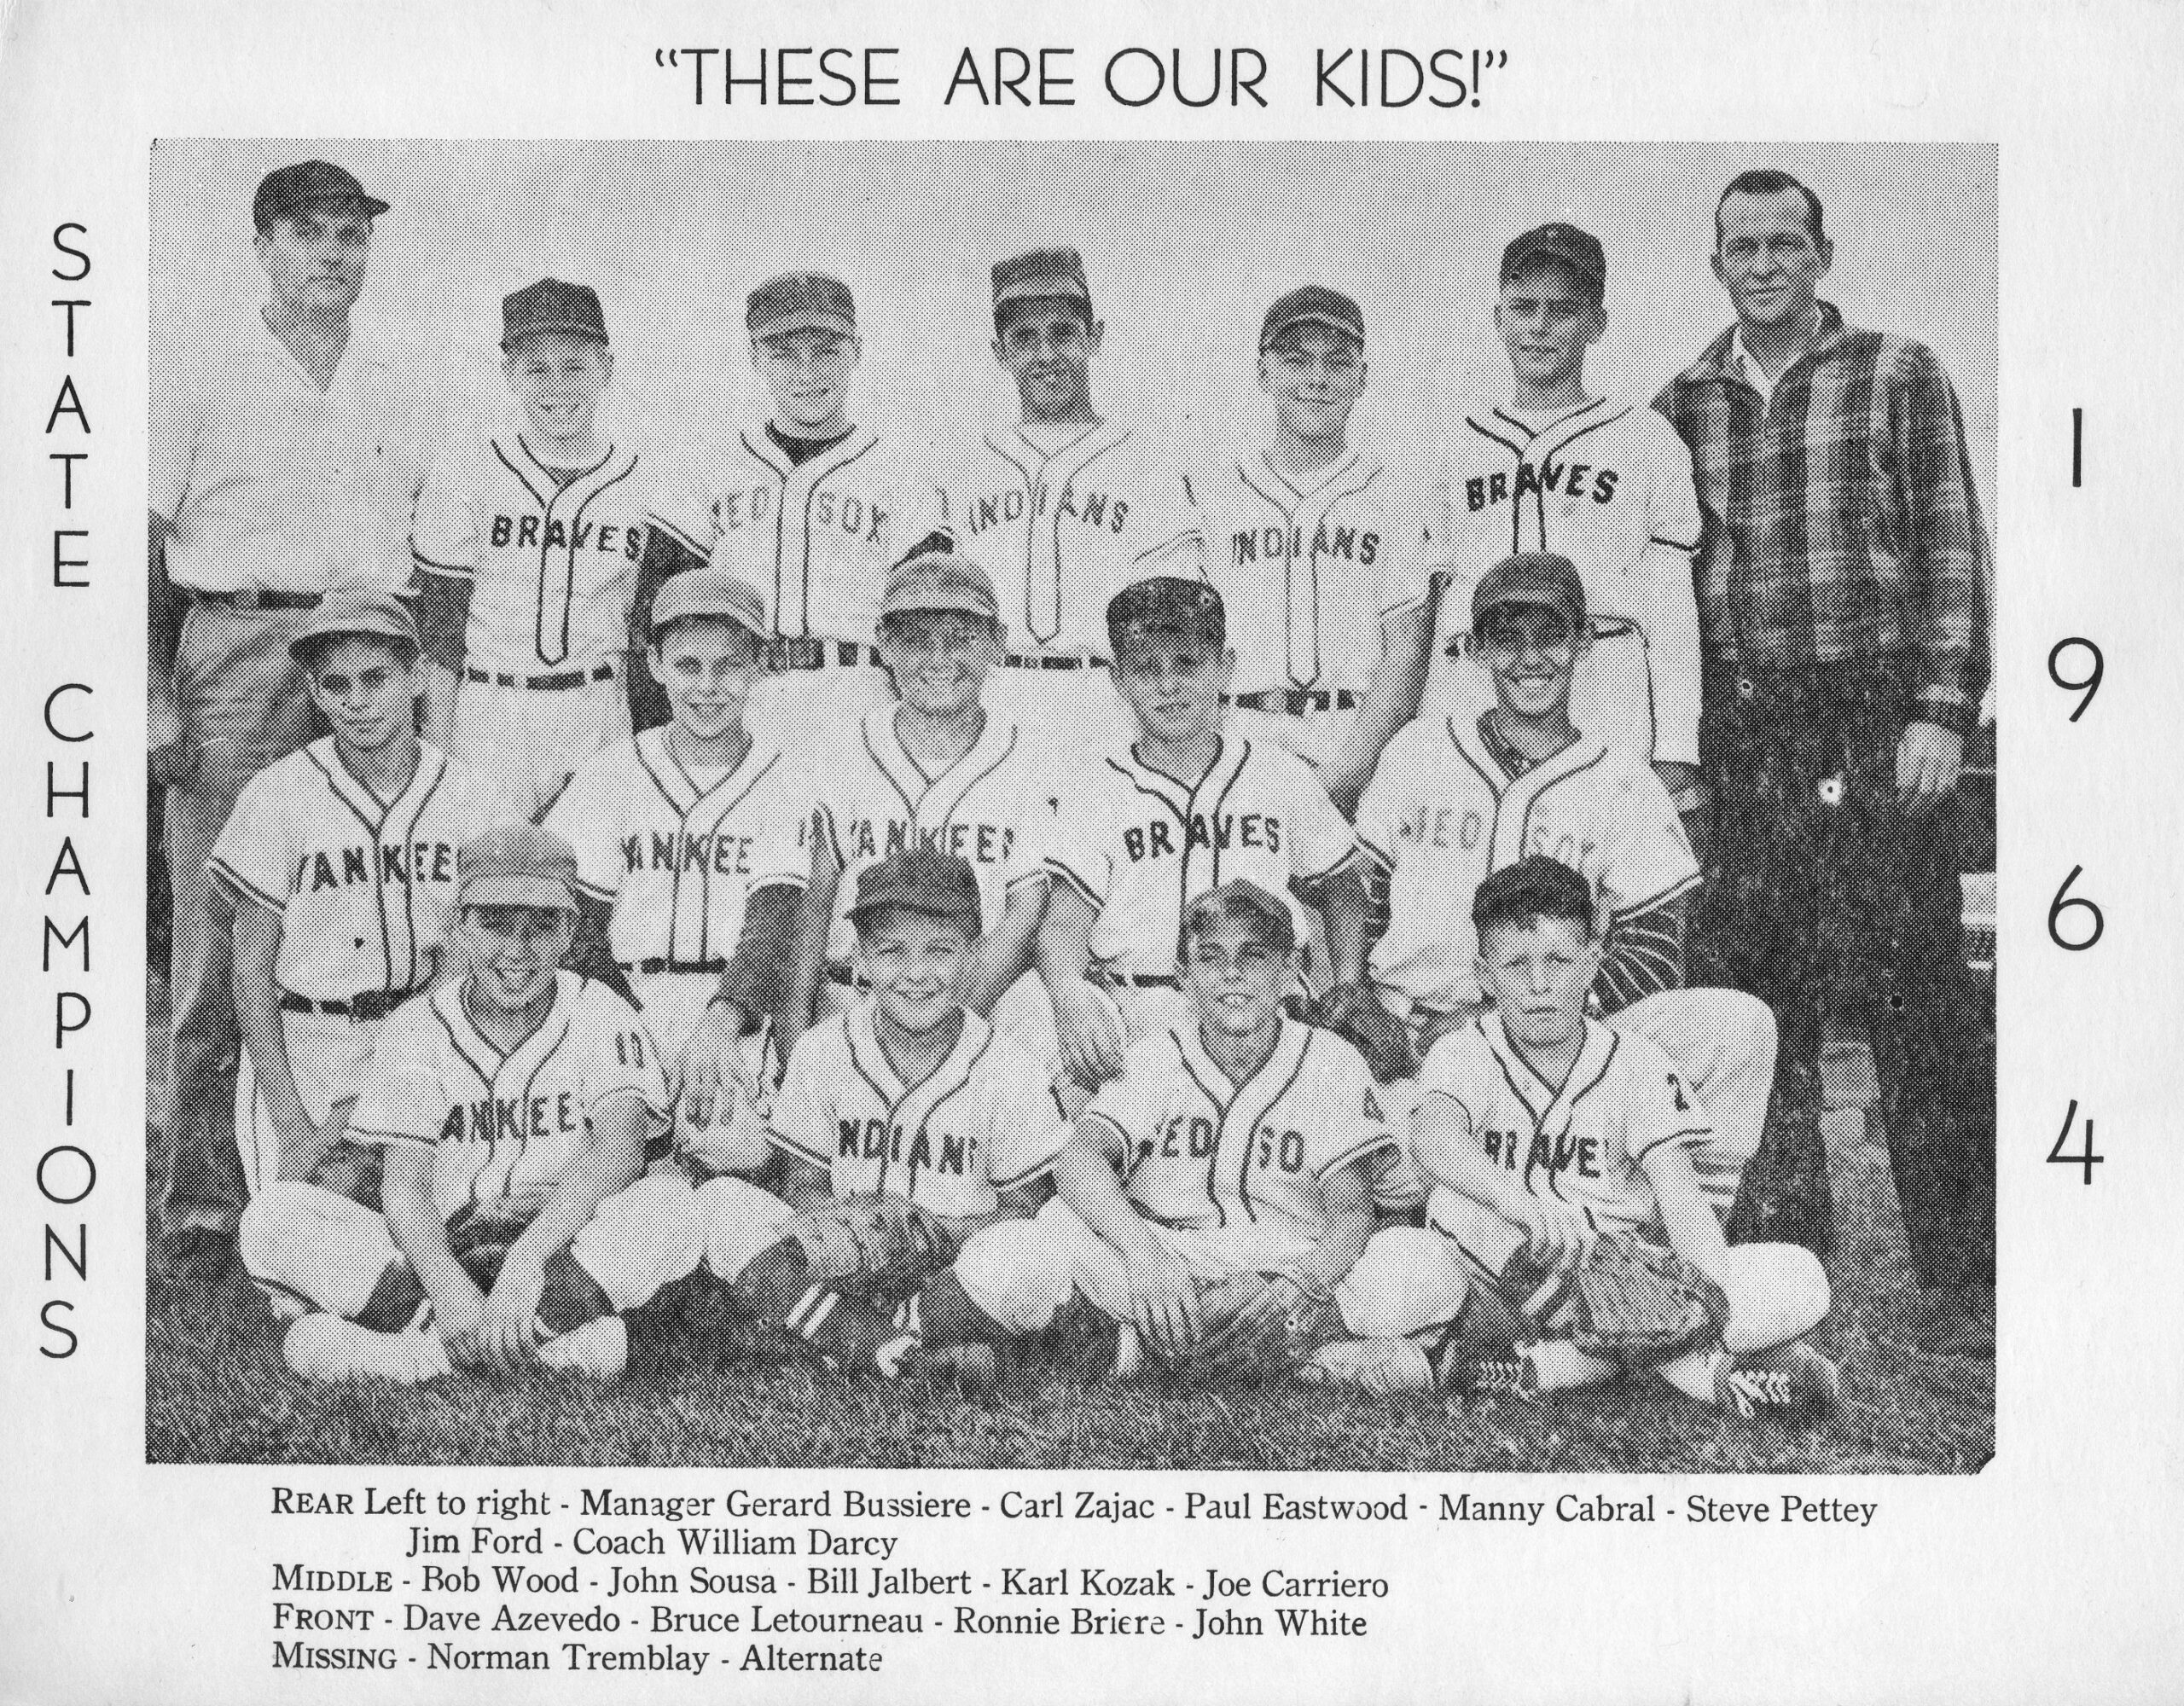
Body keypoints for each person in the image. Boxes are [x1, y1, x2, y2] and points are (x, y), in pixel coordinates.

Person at [1653, 168, 1995, 1351]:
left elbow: (1951, 540)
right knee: (1763, 1000)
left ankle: (1969, 1278)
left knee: (1918, 994)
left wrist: (1942, 709)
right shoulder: (1683, 401)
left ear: (1822, 254)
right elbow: (1672, 586)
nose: (1764, 265)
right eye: (1741, 246)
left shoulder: (1899, 371)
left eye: (1784, 244)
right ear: (1716, 265)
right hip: (1748, 725)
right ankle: (1787, 1262)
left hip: (1876, 711)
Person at [150, 158, 439, 1278]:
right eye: (312, 234)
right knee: (224, 932)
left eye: (352, 236)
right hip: (239, 635)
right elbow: (137, 530)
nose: (335, 253)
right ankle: (204, 1204)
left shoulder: (396, 374)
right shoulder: (202, 363)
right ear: (264, 243)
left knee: (377, 908)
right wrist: (147, 686)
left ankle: (367, 1177)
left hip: (368, 637)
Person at [1304, 857, 1839, 1422]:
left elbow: (1680, 1197)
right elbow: (1436, 1139)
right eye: (1516, 965)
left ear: (1591, 965)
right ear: (1484, 975)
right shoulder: (1464, 1052)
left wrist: (1703, 1297)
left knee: (1800, 1277)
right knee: (1410, 1256)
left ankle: (1513, 1366)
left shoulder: (1635, 1062)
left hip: (1618, 1275)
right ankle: (1701, 1373)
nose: (1538, 985)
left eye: (1558, 961)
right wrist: (1523, 1204)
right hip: (1489, 1269)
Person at [1345, 553, 1775, 1225]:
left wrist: (1523, 1021)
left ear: (1581, 641)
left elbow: (1657, 953)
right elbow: (1362, 897)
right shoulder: (1420, 749)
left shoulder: (1620, 778)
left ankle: (1668, 1250)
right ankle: (1503, 1204)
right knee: (1401, 1176)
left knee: (1738, 1026)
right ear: (1479, 648)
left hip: (1565, 1035)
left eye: (1548, 636)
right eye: (1507, 638)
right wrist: (1365, 1001)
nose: (1528, 659)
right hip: (1418, 1038)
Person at [238, 826, 703, 1383]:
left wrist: (528, 1259)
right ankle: (545, 1346)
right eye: (494, 925)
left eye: (541, 927)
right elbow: (405, 1188)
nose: (517, 950)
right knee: (272, 1218)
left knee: (670, 1205)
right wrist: (449, 1287)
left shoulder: (599, 1010)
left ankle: (419, 1358)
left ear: (571, 930)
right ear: (459, 925)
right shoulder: (415, 1028)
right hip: (444, 1254)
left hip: (563, 1248)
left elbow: (620, 1153)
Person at [936, 880, 1397, 1380]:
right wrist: (1148, 1258)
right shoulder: (1155, 1055)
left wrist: (1301, 1284)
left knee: (1414, 1266)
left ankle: (1129, 1350)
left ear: (1289, 972)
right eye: (1210, 957)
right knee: (1033, 1239)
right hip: (1164, 1259)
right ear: (1183, 975)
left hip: (1279, 1264)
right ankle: (1305, 1361)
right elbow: (1077, 1159)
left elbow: (1351, 1213)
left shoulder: (1331, 1060)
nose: (1231, 974)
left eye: (1255, 956)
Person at [1327, 223, 1703, 819]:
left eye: (1562, 310)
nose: (1540, 325)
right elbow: (1425, 606)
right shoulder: (1452, 443)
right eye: (1523, 307)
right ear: (1497, 317)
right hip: (1475, 677)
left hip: (1603, 675)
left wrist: (1677, 747)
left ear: (1597, 323)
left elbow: (1672, 602)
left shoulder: (1645, 437)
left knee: (1597, 874)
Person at [688, 850, 1067, 1381]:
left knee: (1035, 1251)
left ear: (972, 956)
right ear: (862, 959)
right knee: (720, 1203)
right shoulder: (823, 1049)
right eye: (891, 951)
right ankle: (898, 1350)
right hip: (841, 1264)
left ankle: (855, 1336)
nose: (916, 973)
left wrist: (934, 1232)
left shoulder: (1009, 1061)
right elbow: (803, 1180)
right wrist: (846, 1221)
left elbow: (1023, 1204)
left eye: (940, 951)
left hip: (951, 1276)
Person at [208, 591, 514, 1209]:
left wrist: (392, 1079)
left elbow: (470, 959)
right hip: (306, 1044)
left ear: (418, 678)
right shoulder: (277, 795)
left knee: (432, 1240)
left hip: (425, 1036)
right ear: (316, 695)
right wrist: (294, 1126)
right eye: (335, 684)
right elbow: (249, 970)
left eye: (376, 679)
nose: (357, 700)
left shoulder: (470, 797)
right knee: (298, 1251)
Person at [1031, 576, 1373, 1104]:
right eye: (1146, 670)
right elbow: (1061, 921)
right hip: (1141, 1010)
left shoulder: (1277, 775)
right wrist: (1070, 993)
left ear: (1225, 668)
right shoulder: (1096, 786)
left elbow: (1341, 884)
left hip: (1262, 1012)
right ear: (1118, 681)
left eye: (1188, 665)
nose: (1168, 687)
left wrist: (1345, 986)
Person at [543, 567, 810, 1176]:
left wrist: (723, 1020)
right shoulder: (612, 773)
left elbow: (776, 922)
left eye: (729, 666)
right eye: (689, 665)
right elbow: (579, 925)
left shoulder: (788, 778)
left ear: (759, 667)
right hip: (622, 1001)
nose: (708, 687)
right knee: (603, 1185)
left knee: (730, 1174)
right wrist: (626, 1025)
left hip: (737, 1009)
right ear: (656, 663)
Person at [635, 272, 945, 749]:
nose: (806, 374)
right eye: (783, 354)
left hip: (862, 694)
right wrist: (658, 735)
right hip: (736, 696)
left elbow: (930, 621)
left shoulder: (904, 472)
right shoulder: (703, 467)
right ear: (756, 359)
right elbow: (654, 620)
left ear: (856, 352)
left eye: (826, 351)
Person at [934, 246, 1198, 756]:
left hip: (1105, 700)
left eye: (1063, 333)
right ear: (999, 351)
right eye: (1024, 338)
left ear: (1095, 337)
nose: (1046, 354)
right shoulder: (963, 468)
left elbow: (1174, 613)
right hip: (992, 697)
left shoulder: (1147, 461)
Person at [791, 554, 1057, 1049]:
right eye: (914, 641)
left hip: (990, 1018)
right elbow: (814, 902)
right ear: (885, 645)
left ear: (998, 644)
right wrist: (795, 1045)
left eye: (961, 639)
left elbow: (1026, 911)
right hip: (849, 1004)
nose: (937, 661)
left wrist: (950, 1028)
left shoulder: (1034, 760)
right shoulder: (836, 752)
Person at [410, 278, 651, 819]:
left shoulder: (646, 482)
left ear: (607, 369)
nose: (556, 388)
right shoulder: (467, 473)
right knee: (482, 879)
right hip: (489, 708)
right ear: (508, 373)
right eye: (537, 371)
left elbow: (654, 625)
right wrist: (440, 746)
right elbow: (442, 631)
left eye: (575, 368)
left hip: (597, 706)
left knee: (593, 877)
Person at [1182, 285, 1436, 772]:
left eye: (1337, 362)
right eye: (1296, 361)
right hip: (1241, 734)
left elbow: (1406, 654)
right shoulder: (1215, 493)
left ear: (1362, 377)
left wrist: (1349, 770)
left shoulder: (1392, 492)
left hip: (1358, 733)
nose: (1316, 379)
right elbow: (1191, 649)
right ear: (1263, 371)